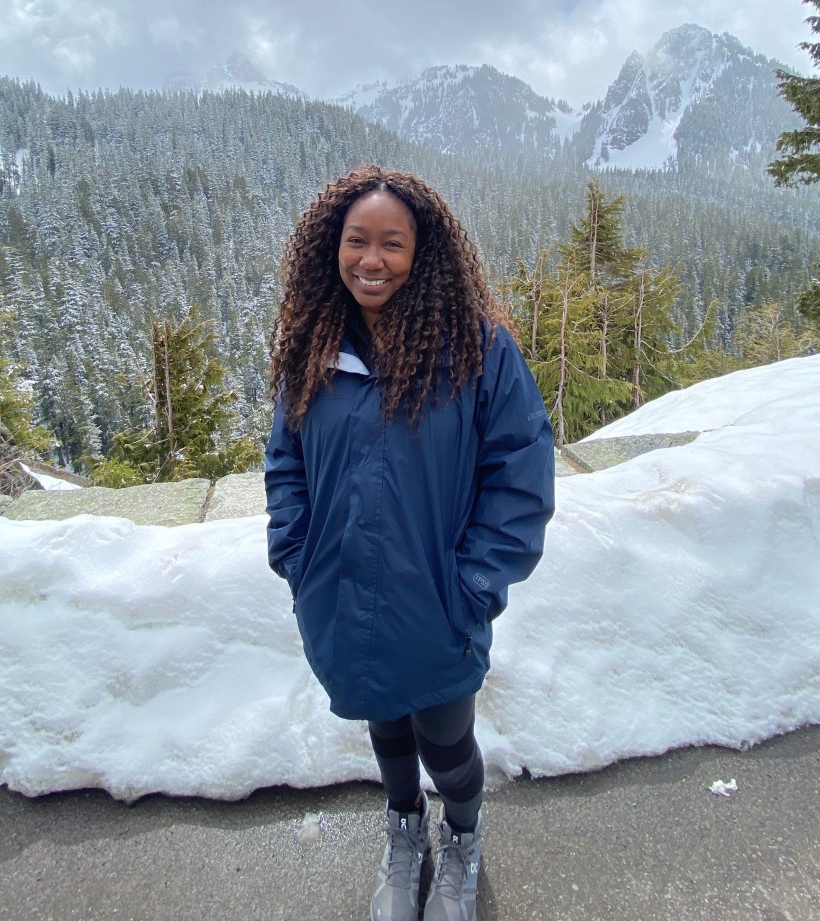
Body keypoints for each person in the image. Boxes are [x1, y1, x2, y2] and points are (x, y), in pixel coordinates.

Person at [265, 165, 555, 921]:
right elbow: (285, 460)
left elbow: (520, 474)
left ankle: (460, 837)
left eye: (392, 243)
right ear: (330, 245)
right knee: (384, 724)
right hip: (339, 591)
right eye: (357, 240)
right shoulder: (316, 347)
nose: (372, 259)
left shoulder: (477, 349)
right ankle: (404, 835)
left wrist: (474, 586)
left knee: (445, 741)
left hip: (438, 598)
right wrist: (297, 555)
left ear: (424, 251)